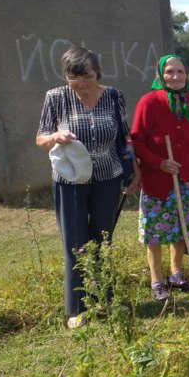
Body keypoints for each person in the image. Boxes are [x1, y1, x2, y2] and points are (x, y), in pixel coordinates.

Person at [36, 47, 139, 328]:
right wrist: (56, 136)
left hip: (108, 177)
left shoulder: (114, 96)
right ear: (65, 76)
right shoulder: (55, 97)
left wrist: (134, 172)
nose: (81, 84)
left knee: (102, 240)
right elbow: (40, 138)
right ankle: (76, 308)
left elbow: (124, 137)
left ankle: (105, 299)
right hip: (70, 181)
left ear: (98, 74)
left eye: (87, 77)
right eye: (74, 78)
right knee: (75, 243)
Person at [131, 54, 189, 301]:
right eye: (170, 72)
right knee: (155, 233)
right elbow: (137, 140)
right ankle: (157, 280)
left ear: (187, 74)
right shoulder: (149, 102)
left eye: (180, 72)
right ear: (160, 75)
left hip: (185, 179)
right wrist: (159, 162)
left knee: (181, 230)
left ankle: (176, 275)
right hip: (158, 182)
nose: (175, 77)